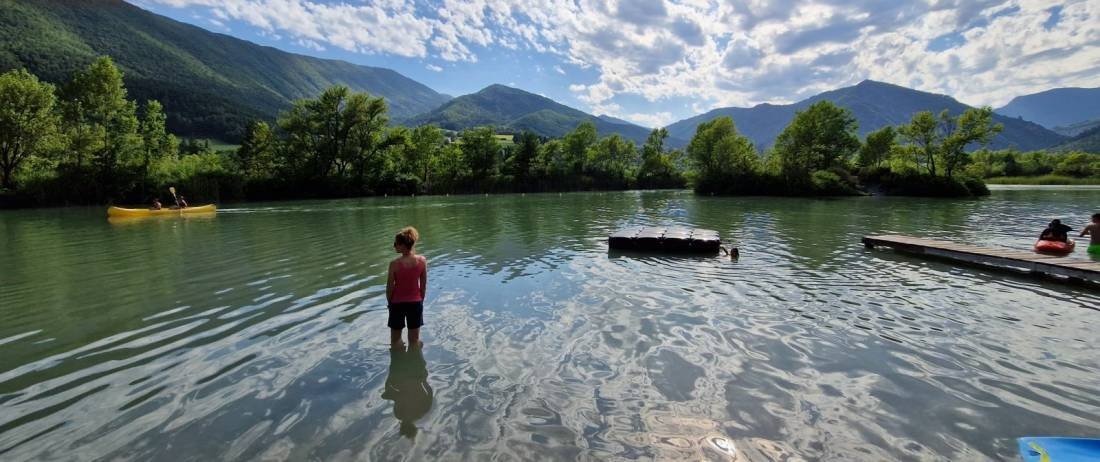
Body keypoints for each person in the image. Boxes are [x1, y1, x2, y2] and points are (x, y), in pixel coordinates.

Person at [387, 227, 427, 347]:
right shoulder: (422, 261)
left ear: (403, 245)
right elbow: (423, 285)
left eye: (396, 244)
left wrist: (390, 303)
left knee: (395, 341)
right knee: (414, 341)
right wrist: (421, 301)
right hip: (415, 303)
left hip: (397, 304)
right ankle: (414, 362)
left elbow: (390, 287)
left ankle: (398, 362)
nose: (394, 246)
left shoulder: (394, 264)